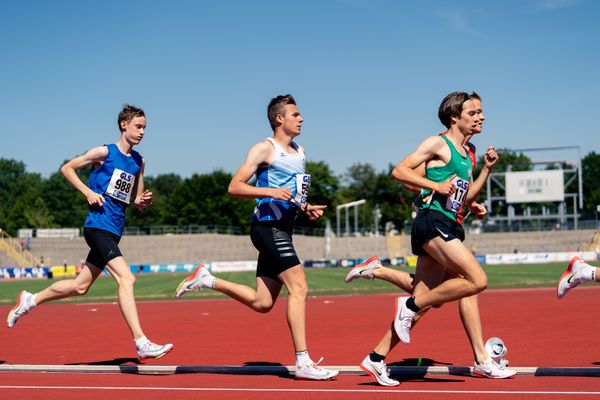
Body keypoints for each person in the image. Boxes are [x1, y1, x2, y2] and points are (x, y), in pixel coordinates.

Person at [348, 92, 515, 385]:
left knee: (430, 299)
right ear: (455, 117)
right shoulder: (437, 142)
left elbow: (463, 197)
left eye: (481, 112)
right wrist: (434, 185)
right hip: (432, 221)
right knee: (476, 281)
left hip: (452, 221)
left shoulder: (470, 152)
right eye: (473, 112)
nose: (481, 117)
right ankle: (476, 355)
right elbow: (399, 171)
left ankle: (375, 358)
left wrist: (486, 173)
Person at [175, 94, 338, 381]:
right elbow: (234, 186)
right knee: (299, 287)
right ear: (279, 119)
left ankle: (206, 279)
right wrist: (269, 192)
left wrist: (305, 208)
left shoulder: (300, 151)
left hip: (283, 227)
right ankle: (302, 362)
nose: (301, 119)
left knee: (263, 303)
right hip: (267, 226)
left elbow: (291, 193)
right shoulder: (265, 148)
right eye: (295, 114)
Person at [6, 104, 173, 360]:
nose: (142, 132)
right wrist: (88, 192)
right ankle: (141, 341)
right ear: (124, 124)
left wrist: (141, 202)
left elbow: (135, 198)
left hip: (115, 229)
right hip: (98, 227)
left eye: (145, 128)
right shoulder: (104, 152)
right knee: (127, 279)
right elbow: (67, 168)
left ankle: (31, 299)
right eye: (138, 126)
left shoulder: (139, 161)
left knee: (80, 286)